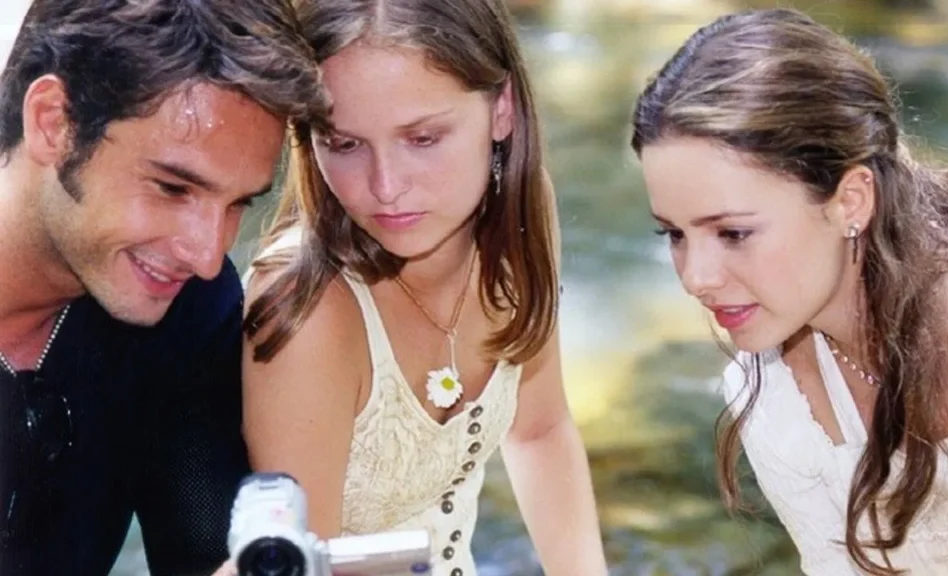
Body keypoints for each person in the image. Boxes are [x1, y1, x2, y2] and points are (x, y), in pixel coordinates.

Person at [631, 8, 948, 576]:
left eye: (733, 233)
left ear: (850, 201)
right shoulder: (773, 398)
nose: (696, 278)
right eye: (673, 234)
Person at [231, 0, 608, 574]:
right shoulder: (307, 311)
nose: (385, 187)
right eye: (345, 144)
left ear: (502, 108)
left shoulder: (519, 221)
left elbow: (539, 430)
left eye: (424, 138)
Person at [0, 0, 331, 574]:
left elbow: (206, 557)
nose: (206, 255)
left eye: (237, 204)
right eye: (173, 188)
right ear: (53, 122)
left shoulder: (189, 312)